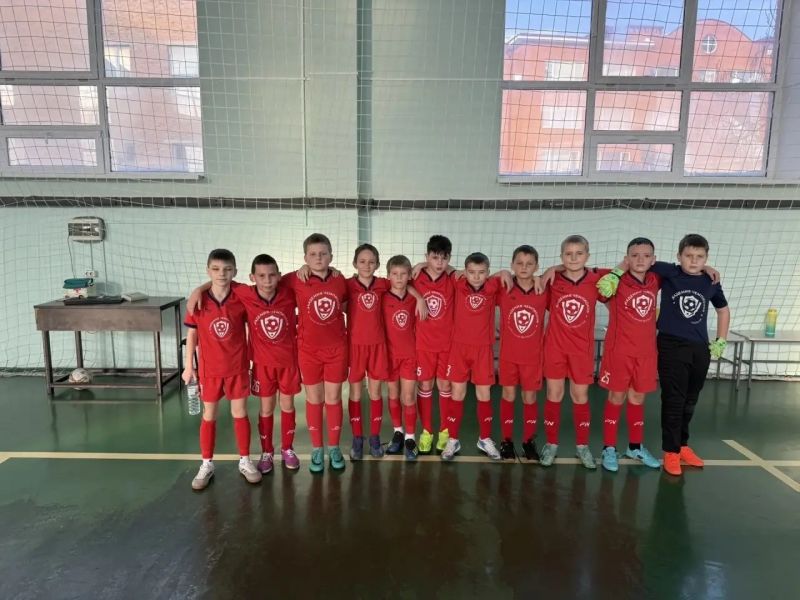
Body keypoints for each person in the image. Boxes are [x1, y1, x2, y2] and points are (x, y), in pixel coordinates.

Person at [187, 254, 302, 474]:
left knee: (287, 405)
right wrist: (198, 290)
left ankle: (287, 448)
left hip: (287, 362)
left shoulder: (287, 291)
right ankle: (266, 452)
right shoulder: (245, 293)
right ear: (252, 277)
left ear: (279, 275)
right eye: (261, 276)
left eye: (272, 275)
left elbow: (308, 279)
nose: (267, 280)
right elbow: (220, 281)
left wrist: (307, 266)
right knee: (265, 408)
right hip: (260, 364)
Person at [183, 249, 261, 490]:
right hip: (209, 370)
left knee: (240, 413)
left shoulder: (241, 296)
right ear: (208, 271)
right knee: (209, 415)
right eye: (215, 269)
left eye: (227, 269)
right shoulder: (198, 300)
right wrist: (188, 366)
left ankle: (245, 460)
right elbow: (192, 334)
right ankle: (206, 463)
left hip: (237, 366)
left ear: (235, 271)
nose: (221, 274)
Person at [344, 244, 426, 459]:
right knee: (369, 394)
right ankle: (361, 438)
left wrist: (419, 297)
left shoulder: (382, 285)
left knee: (401, 395)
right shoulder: (348, 284)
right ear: (354, 263)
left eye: (371, 262)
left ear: (378, 265)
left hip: (392, 351)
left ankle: (404, 438)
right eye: (362, 261)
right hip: (361, 349)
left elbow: (406, 282)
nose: (367, 265)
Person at [539, 235, 610, 470]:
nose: (573, 258)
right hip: (555, 348)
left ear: (587, 256)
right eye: (568, 254)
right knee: (554, 393)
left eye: (579, 253)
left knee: (580, 396)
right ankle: (551, 443)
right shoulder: (552, 280)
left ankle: (582, 446)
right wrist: (553, 269)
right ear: (561, 256)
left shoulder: (597, 279)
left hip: (581, 350)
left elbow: (627, 267)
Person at [282, 233, 349, 473]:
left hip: (336, 349)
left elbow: (350, 304)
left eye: (323, 254)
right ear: (305, 258)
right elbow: (265, 282)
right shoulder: (295, 279)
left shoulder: (341, 280)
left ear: (331, 256)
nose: (318, 258)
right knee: (314, 399)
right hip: (308, 351)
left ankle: (334, 447)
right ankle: (317, 448)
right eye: (313, 254)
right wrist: (200, 290)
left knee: (333, 399)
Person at [594, 238, 662, 471]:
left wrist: (707, 267)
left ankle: (635, 446)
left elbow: (684, 269)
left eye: (646, 255)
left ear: (653, 259)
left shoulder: (656, 279)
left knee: (637, 398)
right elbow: (581, 271)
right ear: (626, 258)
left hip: (646, 353)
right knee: (616, 397)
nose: (640, 259)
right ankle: (609, 448)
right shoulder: (614, 279)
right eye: (634, 255)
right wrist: (618, 270)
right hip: (619, 351)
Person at [441, 252, 512, 461]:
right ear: (465, 272)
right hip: (459, 348)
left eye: (481, 272)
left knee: (484, 394)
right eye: (471, 272)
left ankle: (485, 438)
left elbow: (514, 277)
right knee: (457, 393)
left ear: (488, 273)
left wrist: (504, 272)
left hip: (483, 349)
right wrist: (419, 264)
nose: (476, 276)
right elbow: (443, 266)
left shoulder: (493, 286)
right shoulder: (458, 283)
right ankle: (453, 439)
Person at [497, 245, 549, 461]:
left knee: (530, 398)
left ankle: (528, 441)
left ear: (536, 266)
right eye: (519, 263)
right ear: (512, 265)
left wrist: (549, 272)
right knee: (508, 395)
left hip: (532, 357)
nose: (524, 267)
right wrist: (501, 273)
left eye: (529, 264)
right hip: (508, 356)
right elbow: (478, 279)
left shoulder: (543, 289)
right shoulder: (504, 286)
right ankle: (506, 441)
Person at [413, 235, 456, 454]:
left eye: (444, 258)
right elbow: (399, 283)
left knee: (445, 386)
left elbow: (468, 274)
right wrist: (418, 297)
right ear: (427, 256)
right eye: (434, 257)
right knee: (425, 386)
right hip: (423, 344)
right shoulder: (416, 276)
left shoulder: (452, 278)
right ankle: (427, 431)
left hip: (447, 344)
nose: (439, 263)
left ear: (449, 258)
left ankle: (445, 431)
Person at [382, 255, 424, 460]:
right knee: (393, 394)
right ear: (388, 276)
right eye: (395, 274)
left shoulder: (414, 298)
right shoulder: (382, 296)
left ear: (409, 276)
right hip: (389, 356)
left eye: (403, 274)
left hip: (409, 356)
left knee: (408, 397)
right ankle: (397, 432)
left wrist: (420, 298)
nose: (399, 278)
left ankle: (410, 437)